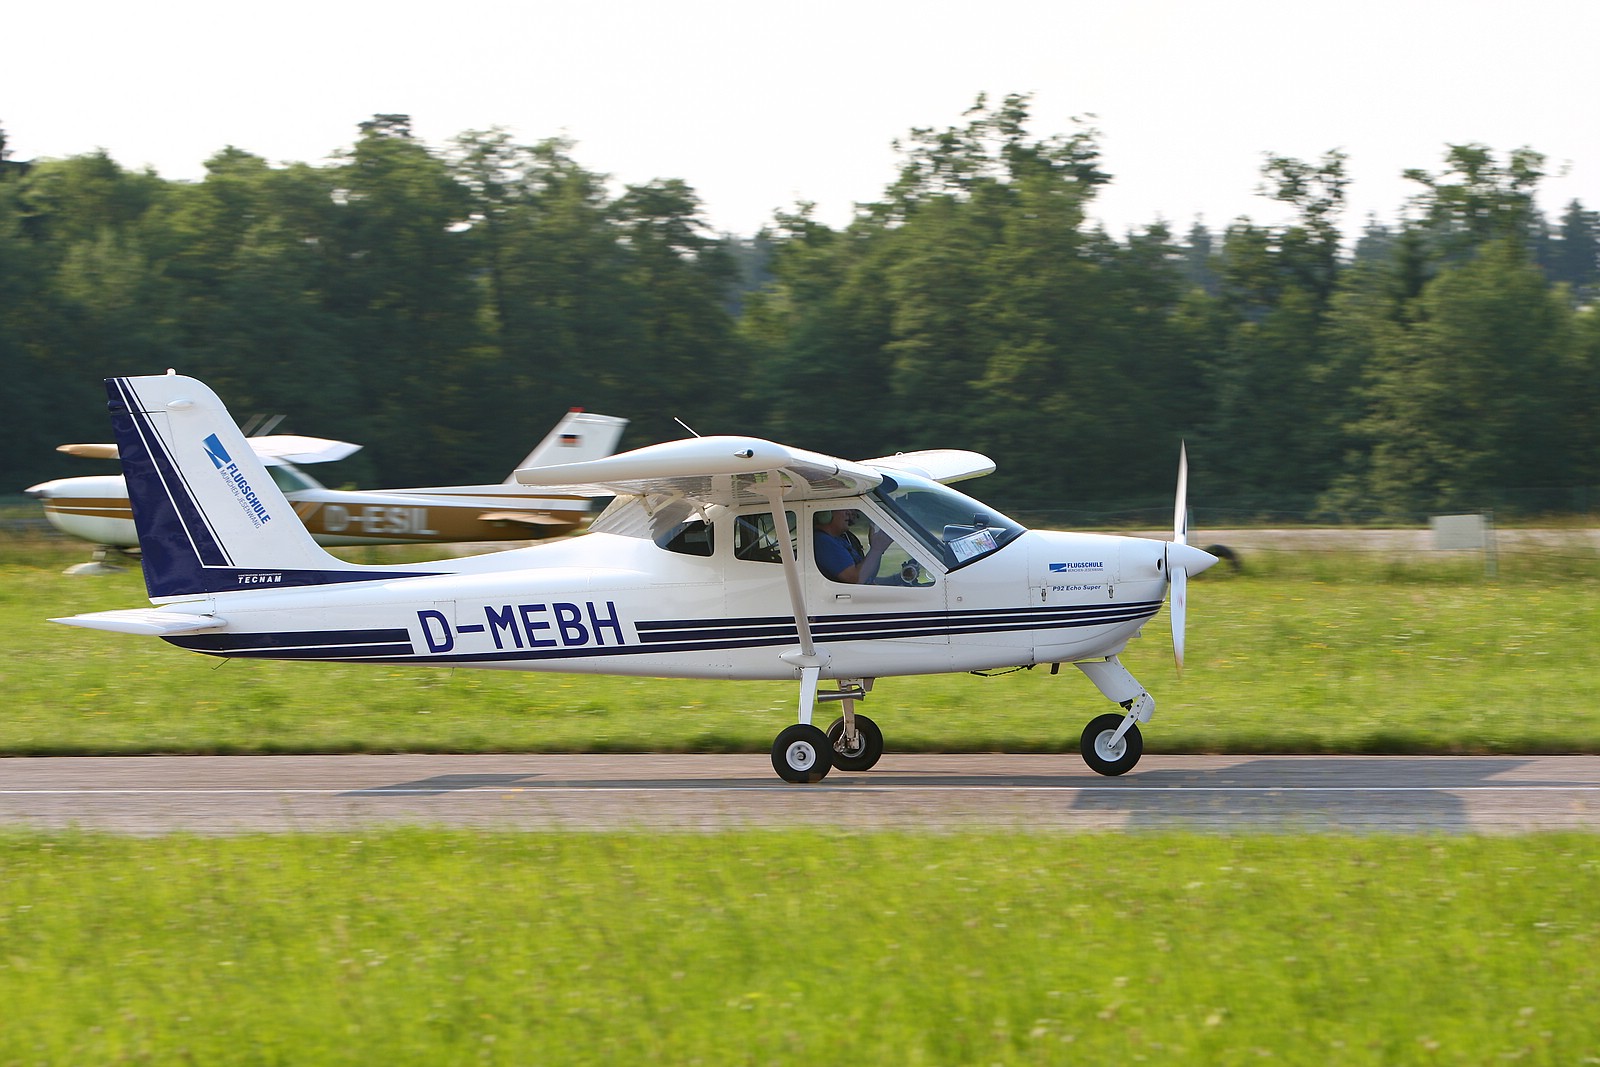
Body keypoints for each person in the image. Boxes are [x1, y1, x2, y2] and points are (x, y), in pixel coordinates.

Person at [813, 508, 892, 583]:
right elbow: (855, 579)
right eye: (842, 508)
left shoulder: (840, 539)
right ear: (826, 514)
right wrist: (876, 549)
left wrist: (876, 550)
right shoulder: (823, 542)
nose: (849, 512)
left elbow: (868, 575)